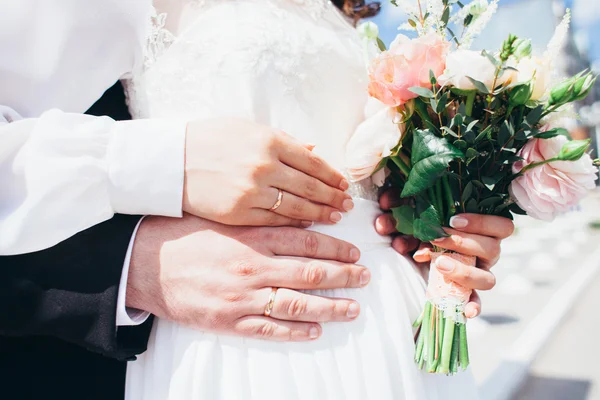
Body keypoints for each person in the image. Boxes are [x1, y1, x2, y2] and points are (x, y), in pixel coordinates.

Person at [121, 1, 514, 399]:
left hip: (390, 305)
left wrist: (434, 220)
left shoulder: (341, 12)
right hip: (239, 314)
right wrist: (137, 261)